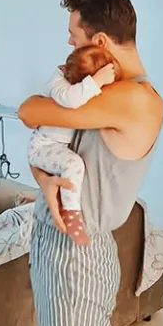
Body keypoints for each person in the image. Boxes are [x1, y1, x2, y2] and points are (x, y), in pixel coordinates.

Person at [18, 0, 163, 326]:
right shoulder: (106, 92)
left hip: (75, 256)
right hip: (62, 243)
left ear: (99, 41)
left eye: (74, 35)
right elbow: (48, 142)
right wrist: (43, 179)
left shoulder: (133, 99)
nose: (69, 44)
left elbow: (30, 111)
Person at [28, 44, 120, 246]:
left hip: (55, 147)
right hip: (42, 146)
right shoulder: (57, 82)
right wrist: (98, 80)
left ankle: (65, 209)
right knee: (74, 165)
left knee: (70, 169)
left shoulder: (73, 83)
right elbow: (72, 99)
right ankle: (71, 215)